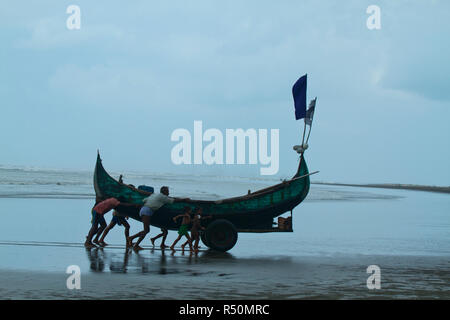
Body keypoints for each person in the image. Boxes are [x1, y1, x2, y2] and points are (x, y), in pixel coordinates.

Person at [129, 186, 186, 251]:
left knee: (146, 230)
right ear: (164, 192)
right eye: (167, 191)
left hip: (145, 210)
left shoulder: (155, 195)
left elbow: (144, 200)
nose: (168, 192)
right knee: (146, 230)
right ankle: (134, 242)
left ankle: (132, 239)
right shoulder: (163, 197)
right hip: (147, 211)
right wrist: (184, 200)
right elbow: (173, 201)